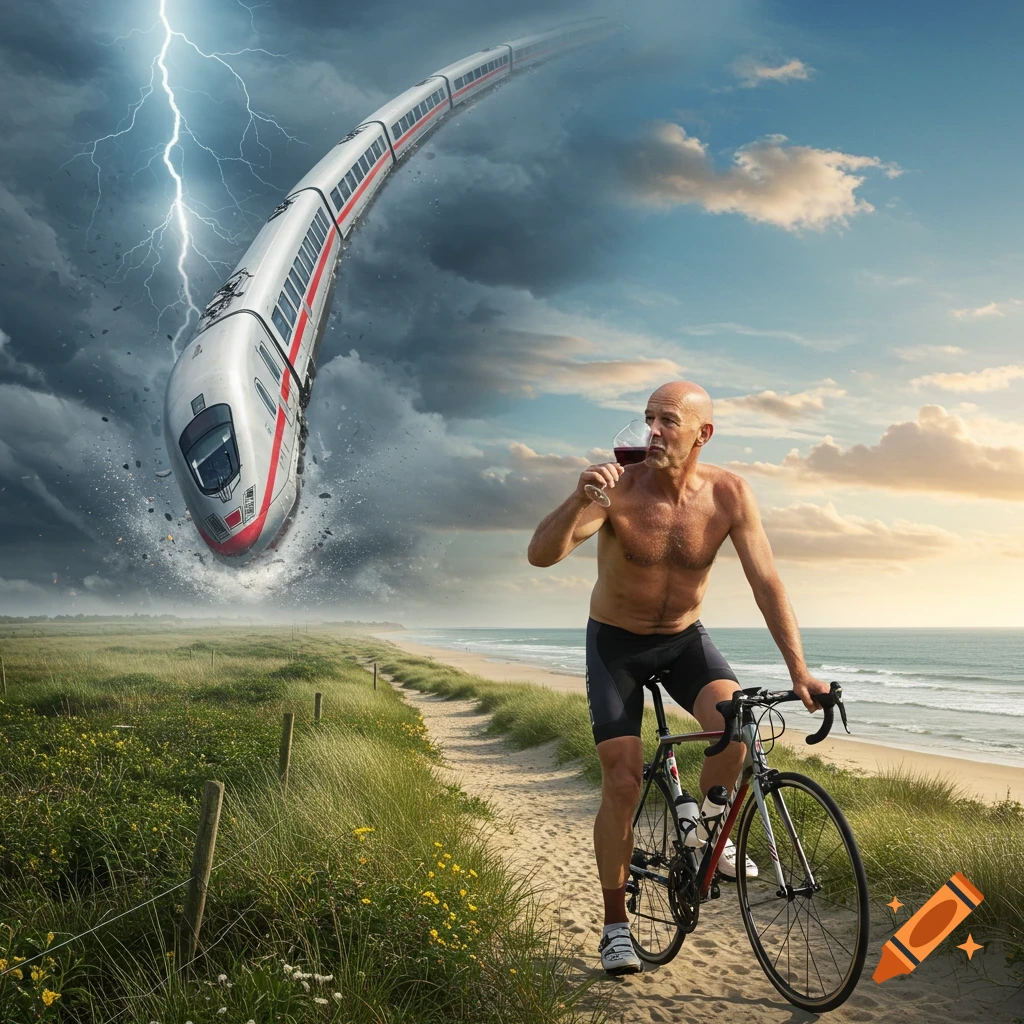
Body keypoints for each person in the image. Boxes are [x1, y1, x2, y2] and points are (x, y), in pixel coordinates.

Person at [526, 381, 831, 976]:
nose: (653, 432)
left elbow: (766, 582)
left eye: (668, 420)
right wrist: (575, 498)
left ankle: (707, 828)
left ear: (702, 433)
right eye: (647, 419)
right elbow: (542, 555)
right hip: (617, 645)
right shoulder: (616, 491)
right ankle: (616, 927)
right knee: (620, 781)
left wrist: (800, 669)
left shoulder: (729, 494)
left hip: (685, 640)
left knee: (740, 727)